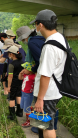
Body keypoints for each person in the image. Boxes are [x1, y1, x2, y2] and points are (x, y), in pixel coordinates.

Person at [30, 9, 66, 138]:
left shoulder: (50, 46)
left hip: (47, 94)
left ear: (40, 25)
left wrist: (40, 99)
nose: (35, 27)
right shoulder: (60, 38)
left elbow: (46, 74)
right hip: (55, 89)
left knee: (47, 127)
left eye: (36, 24)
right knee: (46, 123)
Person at [6, 46, 24, 120]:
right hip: (21, 81)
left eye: (9, 54)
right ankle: (20, 112)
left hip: (13, 82)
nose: (8, 55)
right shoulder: (23, 63)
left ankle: (12, 115)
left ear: (12, 54)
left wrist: (9, 86)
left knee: (12, 97)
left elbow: (10, 76)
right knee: (18, 95)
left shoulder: (11, 64)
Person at [18, 62, 35, 127]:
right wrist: (20, 73)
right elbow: (20, 78)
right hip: (23, 93)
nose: (24, 70)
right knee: (22, 105)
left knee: (26, 108)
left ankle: (29, 121)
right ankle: (31, 110)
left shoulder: (33, 76)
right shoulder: (25, 75)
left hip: (29, 94)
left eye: (25, 68)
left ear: (30, 70)